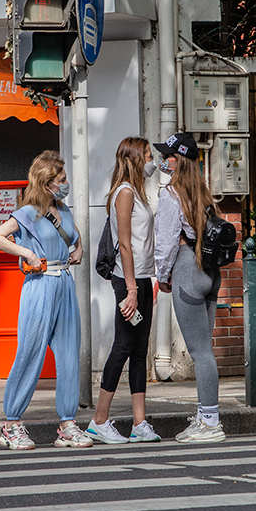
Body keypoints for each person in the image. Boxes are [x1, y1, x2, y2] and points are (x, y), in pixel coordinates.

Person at [0, 150, 92, 450]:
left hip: (65, 285)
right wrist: (26, 253)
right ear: (46, 183)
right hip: (40, 284)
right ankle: (11, 424)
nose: (66, 183)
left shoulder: (64, 209)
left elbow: (73, 234)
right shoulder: (27, 213)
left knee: (69, 354)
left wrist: (79, 248)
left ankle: (68, 424)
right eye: (61, 179)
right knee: (30, 352)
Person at [86, 137, 162, 444]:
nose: (152, 162)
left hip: (142, 278)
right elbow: (126, 244)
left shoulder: (138, 193)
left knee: (140, 350)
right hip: (127, 279)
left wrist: (149, 281)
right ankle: (98, 420)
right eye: (148, 156)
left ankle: (139, 423)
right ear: (134, 159)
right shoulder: (125, 192)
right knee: (122, 346)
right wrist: (131, 290)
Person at [153, 132, 225, 443]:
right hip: (208, 272)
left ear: (178, 160)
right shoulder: (203, 193)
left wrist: (162, 276)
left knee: (200, 352)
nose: (162, 160)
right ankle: (205, 415)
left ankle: (210, 422)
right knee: (205, 350)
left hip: (186, 270)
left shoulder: (171, 194)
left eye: (167, 156)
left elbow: (166, 243)